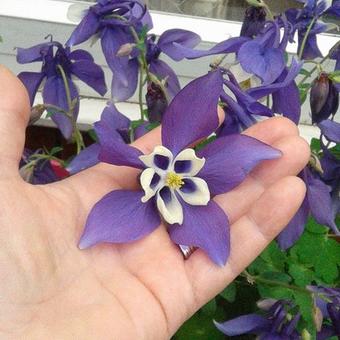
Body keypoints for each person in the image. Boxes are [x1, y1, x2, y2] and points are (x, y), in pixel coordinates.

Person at [0, 65, 310, 339]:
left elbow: (213, 230)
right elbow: (109, 147)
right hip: (150, 196)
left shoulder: (198, 207)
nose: (174, 179)